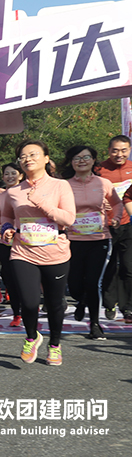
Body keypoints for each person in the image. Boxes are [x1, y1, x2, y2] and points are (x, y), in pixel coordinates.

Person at [0, 140, 75, 366]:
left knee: (54, 303)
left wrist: (41, 202)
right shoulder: (13, 191)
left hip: (55, 253)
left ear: (46, 158)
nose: (27, 159)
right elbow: (6, 216)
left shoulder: (60, 186)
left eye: (33, 154)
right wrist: (6, 228)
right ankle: (31, 337)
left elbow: (68, 219)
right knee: (29, 302)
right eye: (23, 156)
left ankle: (55, 344)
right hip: (23, 252)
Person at [61, 146, 121, 340]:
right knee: (74, 285)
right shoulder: (64, 185)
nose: (82, 161)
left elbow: (117, 203)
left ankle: (95, 324)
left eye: (86, 157)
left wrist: (116, 218)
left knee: (93, 282)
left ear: (94, 160)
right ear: (71, 162)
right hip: (72, 240)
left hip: (99, 239)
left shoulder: (103, 183)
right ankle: (81, 300)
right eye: (77, 158)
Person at [98, 135, 132, 323]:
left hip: (128, 225)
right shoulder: (99, 170)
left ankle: (128, 308)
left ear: (129, 150)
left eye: (124, 150)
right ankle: (110, 303)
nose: (119, 154)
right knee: (109, 267)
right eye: (115, 150)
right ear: (109, 150)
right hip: (106, 225)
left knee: (128, 267)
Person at [0, 163, 25, 327]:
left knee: (25, 279)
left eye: (13, 173)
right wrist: (2, 229)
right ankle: (17, 313)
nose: (10, 176)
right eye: (6, 174)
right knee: (10, 281)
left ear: (21, 175)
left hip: (27, 243)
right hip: (6, 244)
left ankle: (29, 307)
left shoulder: (27, 193)